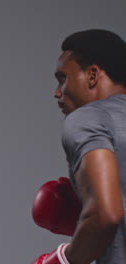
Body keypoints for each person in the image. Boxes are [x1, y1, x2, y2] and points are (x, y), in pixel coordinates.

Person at [32, 29, 126, 264]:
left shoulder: (88, 118)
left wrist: (61, 260)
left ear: (93, 75)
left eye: (62, 78)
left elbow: (106, 214)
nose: (57, 93)